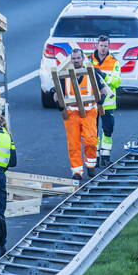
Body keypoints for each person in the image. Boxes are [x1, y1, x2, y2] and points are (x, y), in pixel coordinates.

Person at [57, 48, 108, 182]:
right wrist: (58, 102)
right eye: (74, 58)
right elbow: (57, 94)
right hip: (72, 113)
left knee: (91, 140)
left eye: (78, 58)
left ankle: (90, 165)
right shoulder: (65, 76)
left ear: (83, 59)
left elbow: (104, 91)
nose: (76, 60)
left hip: (89, 112)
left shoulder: (92, 74)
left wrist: (101, 99)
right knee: (73, 143)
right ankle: (77, 171)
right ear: (71, 60)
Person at [90, 35, 122, 168]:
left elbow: (117, 82)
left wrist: (102, 75)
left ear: (109, 47)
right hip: (92, 102)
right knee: (93, 131)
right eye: (101, 45)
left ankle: (106, 156)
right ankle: (95, 157)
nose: (103, 48)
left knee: (108, 129)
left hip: (108, 102)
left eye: (106, 46)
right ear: (97, 46)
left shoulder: (114, 62)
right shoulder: (89, 61)